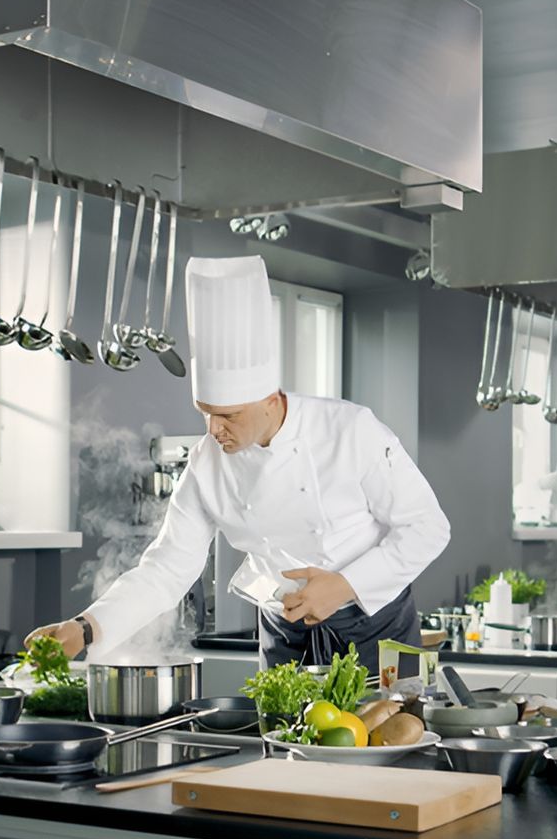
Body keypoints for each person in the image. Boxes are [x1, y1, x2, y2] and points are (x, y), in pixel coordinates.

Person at [29, 256, 450, 666]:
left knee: (389, 736)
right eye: (205, 411)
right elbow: (166, 569)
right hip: (287, 637)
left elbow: (428, 528)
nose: (214, 429)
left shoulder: (350, 430)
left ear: (271, 400)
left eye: (228, 415)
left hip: (375, 632)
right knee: (283, 737)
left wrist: (344, 586)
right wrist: (85, 628)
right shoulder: (206, 464)